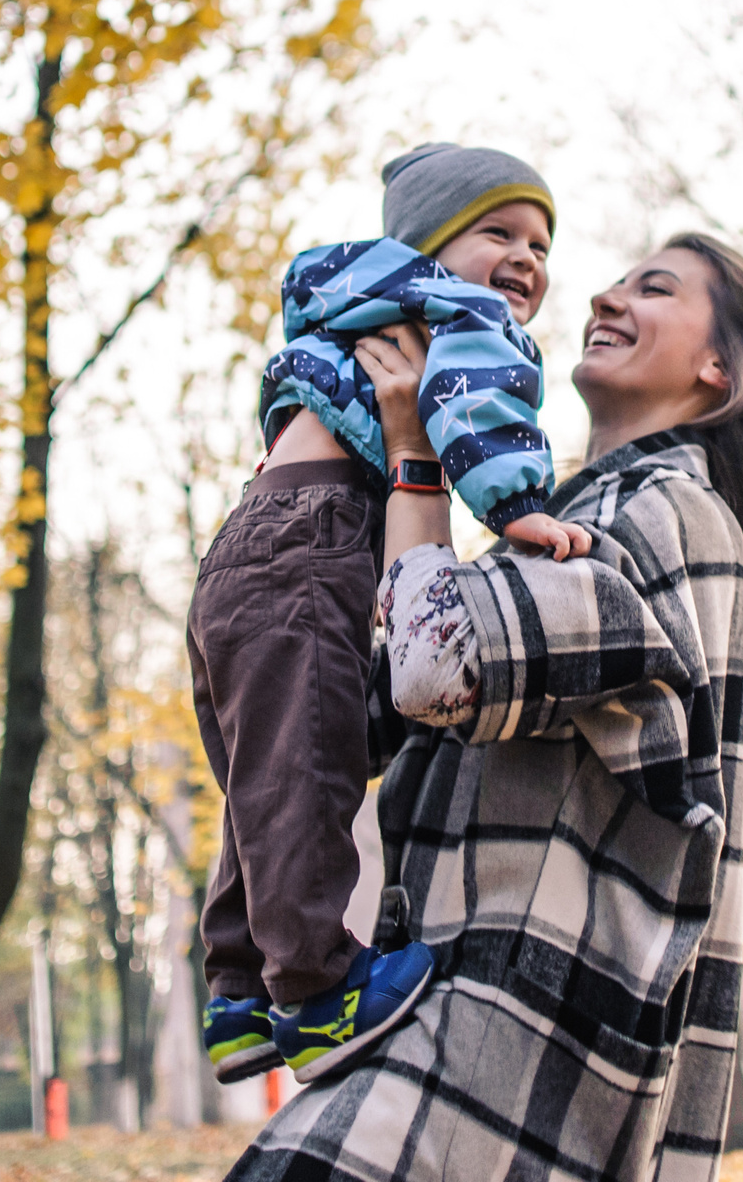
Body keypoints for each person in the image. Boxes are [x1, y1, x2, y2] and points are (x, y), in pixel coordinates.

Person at [226, 232, 743, 1182]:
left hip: (501, 1060)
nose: (606, 297)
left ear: (718, 370)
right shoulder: (563, 528)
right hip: (451, 1043)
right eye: (614, 279)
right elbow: (354, 718)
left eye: (652, 289)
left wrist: (414, 458)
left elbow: (435, 662)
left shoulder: (671, 513)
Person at [191, 144, 592, 1091]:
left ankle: (239, 994)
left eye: (540, 242)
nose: (526, 259)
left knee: (267, 772)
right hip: (311, 539)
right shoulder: (458, 312)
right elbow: (475, 402)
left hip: (248, 543)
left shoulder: (345, 308)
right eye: (499, 232)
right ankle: (319, 990)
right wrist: (515, 502)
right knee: (308, 773)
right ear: (427, 245)